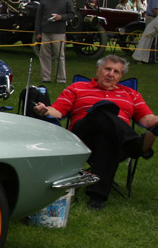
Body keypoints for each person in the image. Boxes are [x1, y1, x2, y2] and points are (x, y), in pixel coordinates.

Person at [34, 55, 158, 210]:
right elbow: (58, 110)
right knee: (101, 109)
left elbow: (148, 119)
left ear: (121, 76)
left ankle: (97, 198)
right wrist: (46, 110)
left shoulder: (131, 94)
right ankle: (133, 145)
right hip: (81, 137)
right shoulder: (77, 88)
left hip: (115, 141)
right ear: (98, 70)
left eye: (116, 72)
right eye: (107, 69)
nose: (111, 74)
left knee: (108, 139)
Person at [35, 0, 75, 83]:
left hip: (59, 32)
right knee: (44, 56)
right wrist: (38, 32)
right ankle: (45, 77)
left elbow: (71, 14)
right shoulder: (45, 0)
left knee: (59, 56)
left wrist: (60, 17)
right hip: (46, 32)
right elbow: (38, 17)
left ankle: (61, 78)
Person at [131, 0, 158, 64]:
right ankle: (139, 58)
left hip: (155, 18)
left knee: (151, 39)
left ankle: (148, 59)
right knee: (147, 38)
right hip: (152, 18)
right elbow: (155, 10)